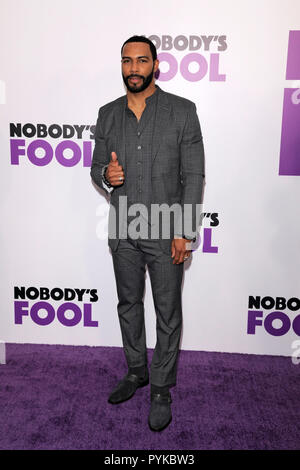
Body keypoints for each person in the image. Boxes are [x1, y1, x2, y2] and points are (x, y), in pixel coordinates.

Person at [90, 35, 205, 431]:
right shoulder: (107, 114)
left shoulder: (182, 111)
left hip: (165, 227)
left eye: (142, 61)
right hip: (123, 226)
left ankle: (161, 387)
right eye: (127, 61)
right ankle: (136, 371)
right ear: (121, 66)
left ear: (156, 65)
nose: (134, 68)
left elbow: (193, 176)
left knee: (168, 313)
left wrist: (184, 231)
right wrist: (107, 175)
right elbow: (96, 169)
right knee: (128, 304)